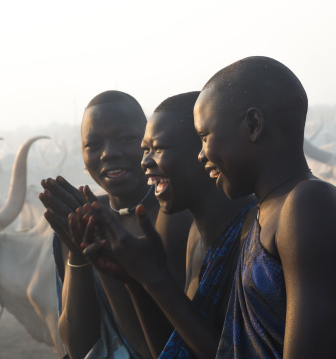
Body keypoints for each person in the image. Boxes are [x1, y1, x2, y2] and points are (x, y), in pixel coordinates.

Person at [193, 56, 336, 358]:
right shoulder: (263, 213)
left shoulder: (308, 205)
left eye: (204, 137)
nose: (201, 155)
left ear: (253, 125)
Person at [78, 91, 256, 359]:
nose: (145, 162)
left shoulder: (255, 234)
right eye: (145, 150)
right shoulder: (198, 232)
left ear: (204, 151)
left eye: (158, 149)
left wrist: (152, 278)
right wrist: (133, 281)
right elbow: (173, 350)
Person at [39, 90, 193, 359]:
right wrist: (78, 253)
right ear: (83, 158)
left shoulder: (177, 215)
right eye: (93, 145)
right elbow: (77, 347)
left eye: (126, 139)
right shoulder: (80, 221)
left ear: (149, 145)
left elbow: (162, 346)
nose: (109, 153)